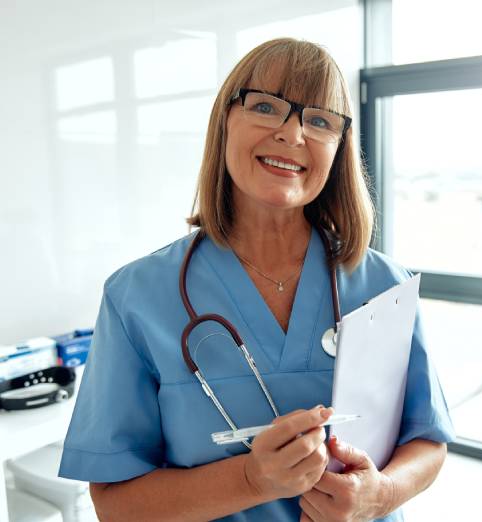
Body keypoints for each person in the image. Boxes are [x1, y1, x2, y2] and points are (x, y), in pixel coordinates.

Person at [59, 38, 455, 521]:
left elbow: (428, 440)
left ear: (339, 147)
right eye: (266, 107)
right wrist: (251, 480)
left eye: (320, 120)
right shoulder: (136, 297)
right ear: (225, 121)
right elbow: (116, 505)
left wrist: (383, 495)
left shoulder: (385, 285)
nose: (293, 135)